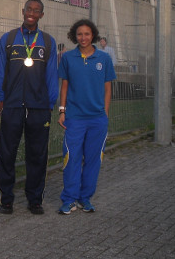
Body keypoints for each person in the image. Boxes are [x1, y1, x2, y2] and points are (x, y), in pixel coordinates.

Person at [0, 0, 58, 215]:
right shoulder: (9, 39)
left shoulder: (47, 42)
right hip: (12, 105)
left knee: (37, 154)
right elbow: (0, 70)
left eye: (36, 10)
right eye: (29, 9)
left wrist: (50, 102)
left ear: (42, 14)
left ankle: (34, 199)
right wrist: (1, 97)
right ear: (23, 11)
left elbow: (52, 75)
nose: (32, 12)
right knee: (7, 153)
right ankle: (6, 198)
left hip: (39, 107)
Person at [57, 19, 116, 215]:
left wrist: (105, 113)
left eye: (87, 34)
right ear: (75, 36)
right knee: (71, 158)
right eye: (80, 34)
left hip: (97, 119)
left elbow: (108, 89)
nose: (83, 37)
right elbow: (64, 86)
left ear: (94, 36)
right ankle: (69, 199)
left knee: (93, 160)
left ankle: (85, 198)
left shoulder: (103, 59)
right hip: (74, 118)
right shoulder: (68, 58)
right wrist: (62, 110)